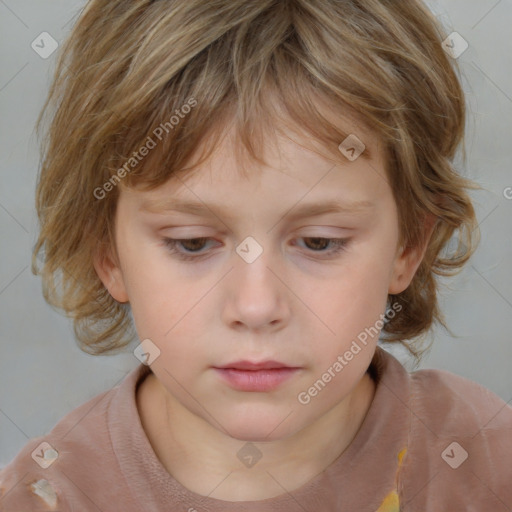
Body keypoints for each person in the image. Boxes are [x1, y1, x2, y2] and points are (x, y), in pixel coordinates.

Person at [1, 0, 511, 510]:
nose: (255, 306)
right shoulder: (46, 498)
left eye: (319, 242)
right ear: (107, 253)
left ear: (408, 246)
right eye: (193, 243)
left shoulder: (485, 464)